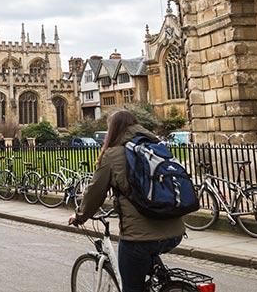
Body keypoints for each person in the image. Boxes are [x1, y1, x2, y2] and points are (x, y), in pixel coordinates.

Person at [69, 110, 185, 292]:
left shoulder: (112, 154)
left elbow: (95, 193)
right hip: (175, 231)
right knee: (150, 268)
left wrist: (79, 216)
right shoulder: (156, 146)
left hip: (139, 238)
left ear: (113, 130)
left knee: (131, 285)